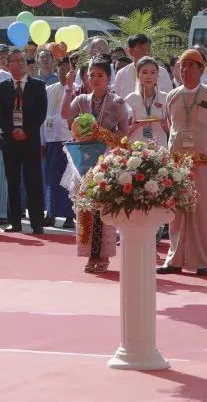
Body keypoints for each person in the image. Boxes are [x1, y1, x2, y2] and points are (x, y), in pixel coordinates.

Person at [158, 50, 207, 277]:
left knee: (201, 209)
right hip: (177, 161)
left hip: (202, 161)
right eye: (181, 65)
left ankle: (202, 260)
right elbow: (169, 125)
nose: (184, 70)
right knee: (176, 209)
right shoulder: (173, 96)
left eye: (190, 66)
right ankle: (174, 259)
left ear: (201, 69)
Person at [66, 59, 129, 271]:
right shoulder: (80, 100)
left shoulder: (117, 102)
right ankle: (88, 254)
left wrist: (102, 134)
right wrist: (81, 132)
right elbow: (69, 123)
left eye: (100, 75)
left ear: (108, 78)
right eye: (91, 75)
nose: (94, 79)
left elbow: (124, 134)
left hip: (106, 158)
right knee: (85, 207)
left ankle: (103, 256)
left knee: (104, 207)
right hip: (83, 160)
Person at [1, 48, 47, 234]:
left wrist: (26, 131)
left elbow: (40, 113)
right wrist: (12, 130)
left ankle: (37, 223)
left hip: (30, 140)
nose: (20, 63)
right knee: (12, 181)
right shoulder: (2, 87)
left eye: (23, 60)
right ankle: (15, 222)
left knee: (33, 181)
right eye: (16, 60)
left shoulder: (37, 85)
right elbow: (2, 115)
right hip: (10, 140)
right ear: (7, 64)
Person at [41, 59, 74, 230]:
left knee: (69, 179)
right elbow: (43, 118)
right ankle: (51, 214)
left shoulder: (76, 91)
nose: (64, 73)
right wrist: (42, 142)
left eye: (68, 70)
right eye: (61, 70)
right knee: (52, 179)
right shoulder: (49, 89)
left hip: (70, 141)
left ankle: (70, 216)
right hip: (52, 140)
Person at [113, 34, 173, 99]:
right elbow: (118, 99)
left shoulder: (162, 72)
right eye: (142, 49)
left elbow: (169, 98)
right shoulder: (122, 74)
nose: (146, 53)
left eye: (148, 49)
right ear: (130, 51)